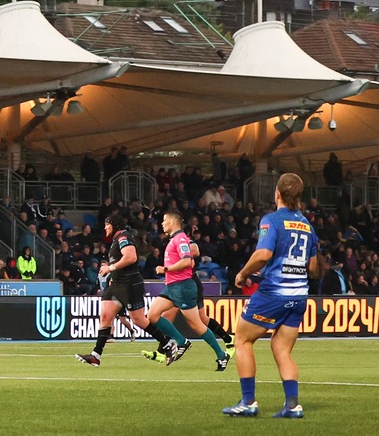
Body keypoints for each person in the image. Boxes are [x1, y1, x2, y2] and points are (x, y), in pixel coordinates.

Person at [224, 172, 325, 419]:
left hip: (273, 294)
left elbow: (263, 254)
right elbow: (313, 269)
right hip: (299, 296)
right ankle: (292, 405)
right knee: (281, 349)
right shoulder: (307, 225)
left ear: (277, 194)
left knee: (242, 340)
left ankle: (248, 402)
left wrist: (242, 273)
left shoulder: (271, 220)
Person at [78, 211, 186, 366]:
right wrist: (112, 275)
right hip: (116, 284)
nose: (105, 228)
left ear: (115, 225)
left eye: (107, 224)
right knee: (105, 316)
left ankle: (167, 344)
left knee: (139, 320)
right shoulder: (117, 239)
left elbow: (131, 257)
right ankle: (96, 355)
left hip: (130, 285)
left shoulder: (123, 238)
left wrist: (111, 267)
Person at [144, 210, 231, 371]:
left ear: (172, 222)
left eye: (164, 220)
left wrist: (165, 269)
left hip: (183, 286)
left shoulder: (181, 239)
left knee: (197, 325)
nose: (162, 223)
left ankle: (221, 354)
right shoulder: (174, 239)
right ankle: (181, 341)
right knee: (152, 315)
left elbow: (187, 261)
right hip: (171, 286)